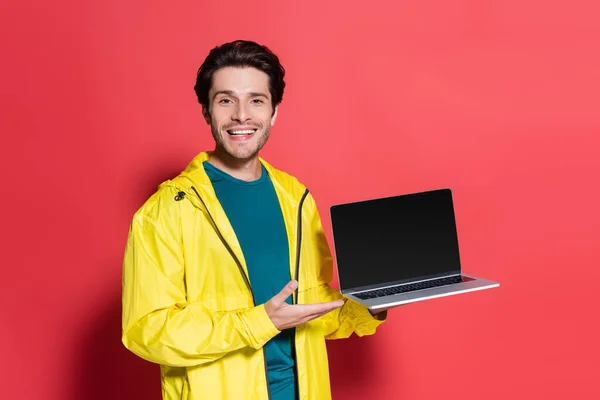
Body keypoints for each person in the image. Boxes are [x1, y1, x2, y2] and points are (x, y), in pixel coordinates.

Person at [121, 39, 386, 400]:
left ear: (274, 111)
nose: (241, 115)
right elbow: (147, 330)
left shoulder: (295, 197)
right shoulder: (167, 210)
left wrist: (374, 303)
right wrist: (259, 323)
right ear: (206, 110)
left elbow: (311, 306)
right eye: (226, 100)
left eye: (256, 100)